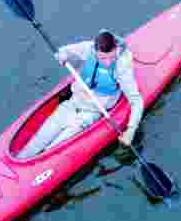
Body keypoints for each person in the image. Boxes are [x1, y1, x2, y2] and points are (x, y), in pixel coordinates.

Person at [16, 29, 143, 159]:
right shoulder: (88, 48)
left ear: (116, 49)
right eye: (102, 58)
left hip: (90, 113)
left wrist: (131, 130)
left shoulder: (121, 66)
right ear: (95, 51)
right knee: (32, 148)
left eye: (111, 57)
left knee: (51, 151)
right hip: (71, 104)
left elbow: (136, 100)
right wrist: (62, 56)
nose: (107, 62)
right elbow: (64, 51)